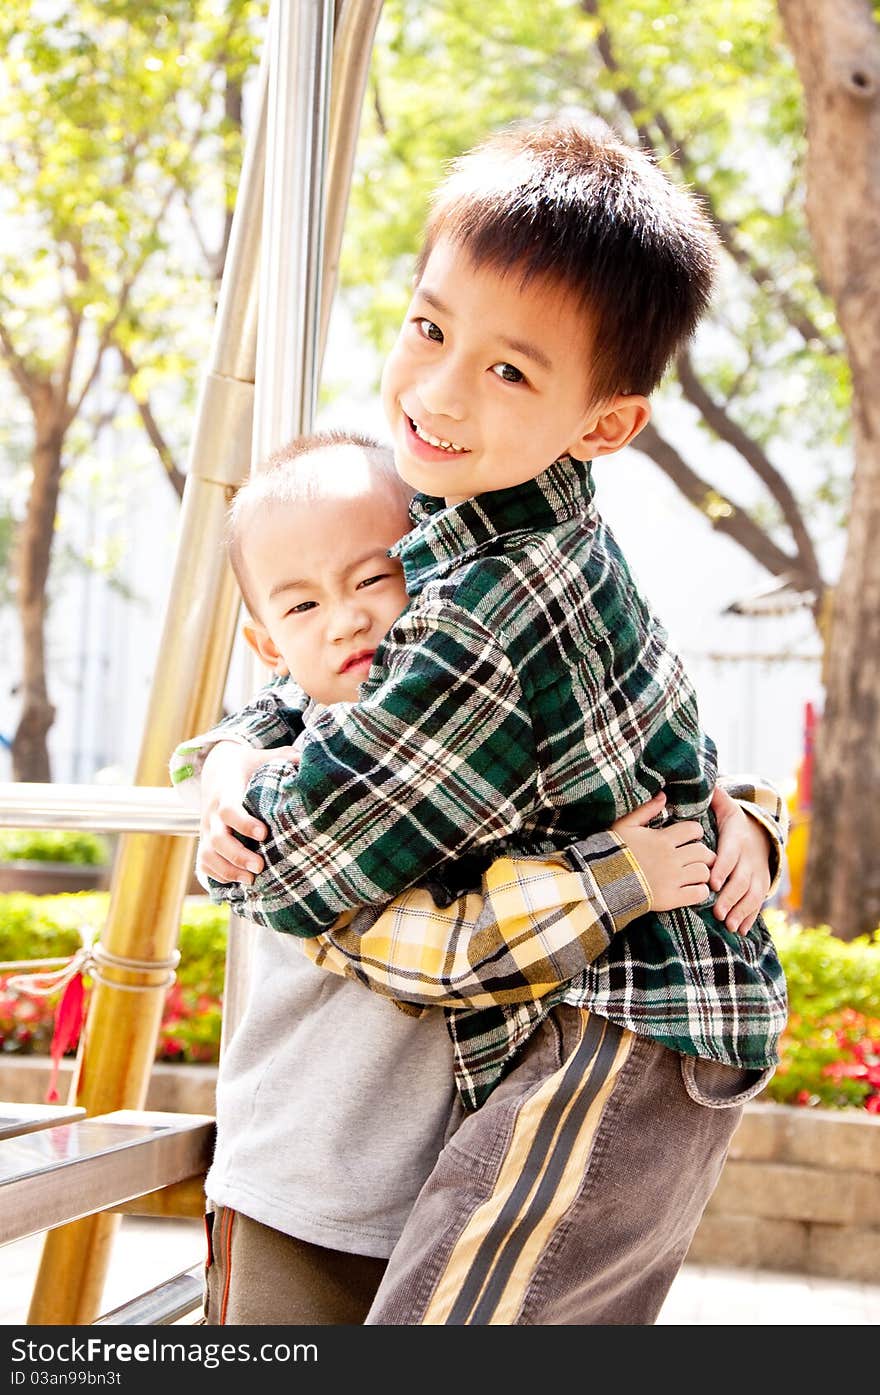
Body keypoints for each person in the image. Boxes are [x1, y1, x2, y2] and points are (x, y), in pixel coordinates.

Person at [174, 113, 789, 1325]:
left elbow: (301, 866)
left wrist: (243, 832)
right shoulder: (486, 536)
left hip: (615, 1034)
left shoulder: (487, 603)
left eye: (508, 370)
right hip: (634, 1033)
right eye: (428, 328)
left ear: (604, 423)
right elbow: (322, 692)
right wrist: (232, 754)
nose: (442, 390)